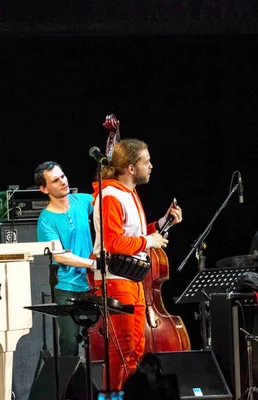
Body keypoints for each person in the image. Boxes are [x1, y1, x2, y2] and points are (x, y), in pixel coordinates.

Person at [92, 138, 182, 390]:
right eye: (147, 161)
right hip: (116, 279)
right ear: (131, 168)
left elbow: (137, 235)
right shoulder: (110, 195)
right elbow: (113, 243)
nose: (151, 166)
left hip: (132, 279)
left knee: (134, 349)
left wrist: (165, 222)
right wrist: (149, 241)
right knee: (121, 350)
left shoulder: (128, 193)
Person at [35, 161, 96, 356]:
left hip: (92, 284)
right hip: (66, 288)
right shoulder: (46, 220)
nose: (63, 181)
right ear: (44, 189)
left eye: (63, 176)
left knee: (97, 341)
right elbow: (61, 256)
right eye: (55, 180)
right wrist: (94, 264)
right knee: (69, 343)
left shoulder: (83, 201)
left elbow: (111, 201)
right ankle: (69, 385)